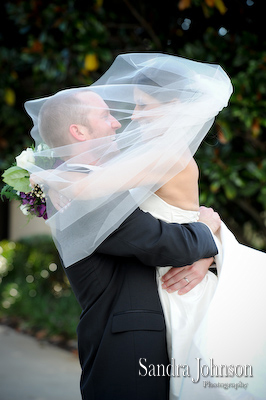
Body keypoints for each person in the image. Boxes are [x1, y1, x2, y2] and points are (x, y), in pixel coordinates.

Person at [26, 79, 221, 399]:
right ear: (80, 132)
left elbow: (179, 218)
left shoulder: (116, 175)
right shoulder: (84, 194)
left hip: (161, 323)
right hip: (127, 348)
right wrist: (206, 231)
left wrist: (207, 248)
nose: (121, 120)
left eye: (143, 106)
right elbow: (163, 243)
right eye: (105, 116)